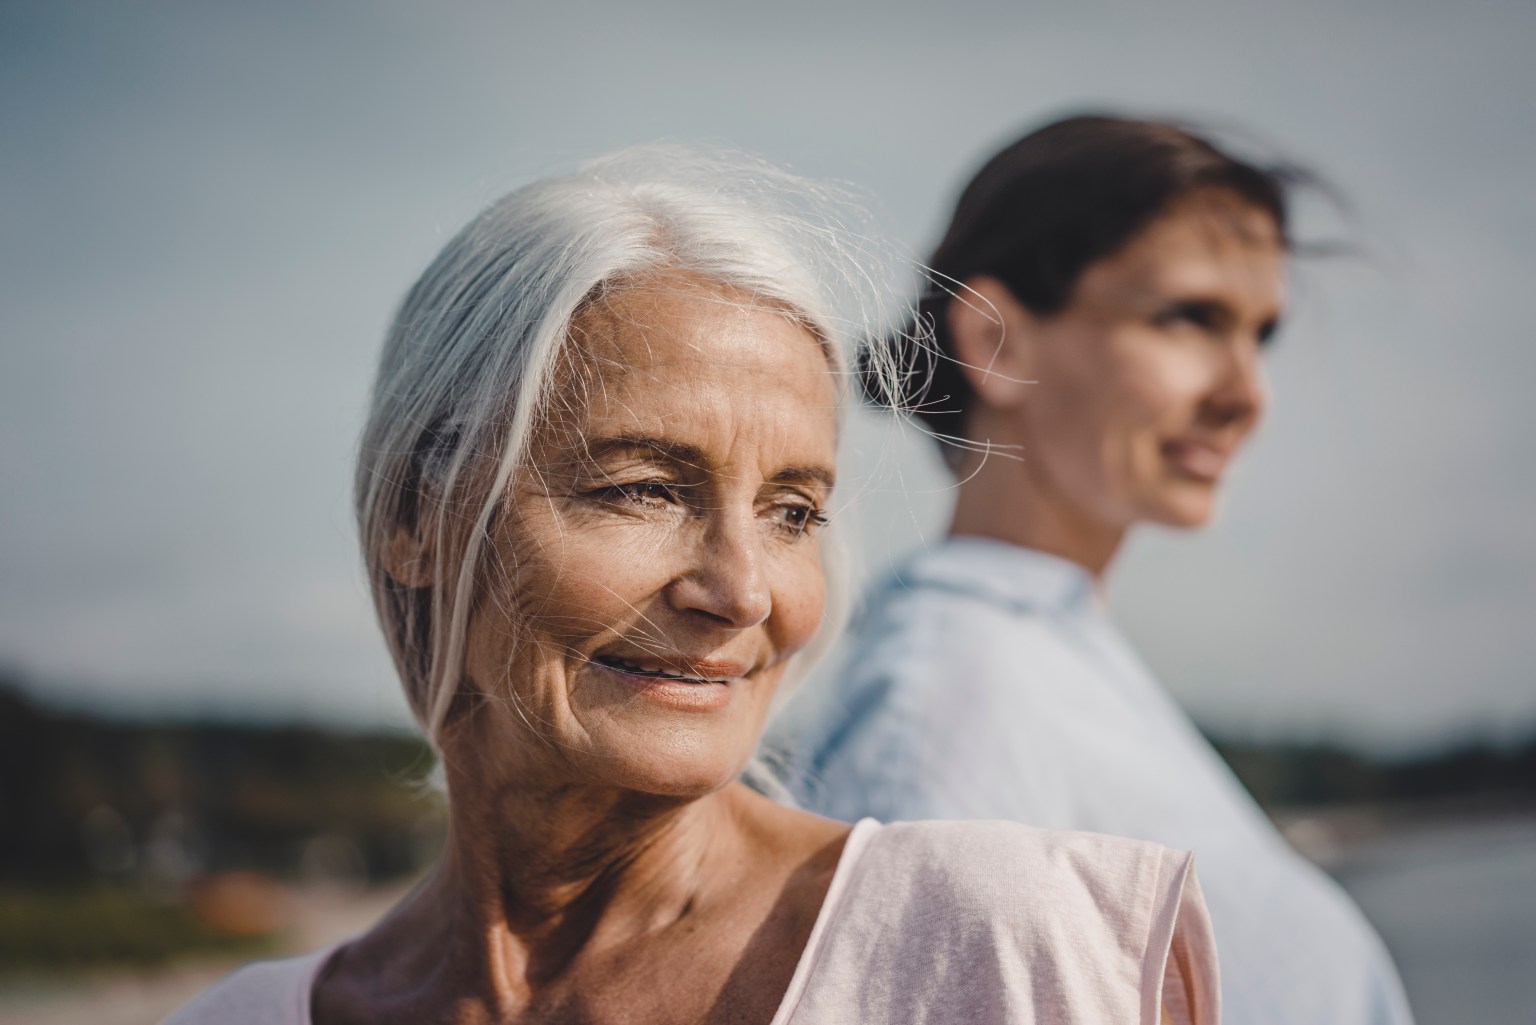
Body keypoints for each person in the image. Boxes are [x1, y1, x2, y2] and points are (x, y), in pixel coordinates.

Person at [163, 146, 1219, 1025]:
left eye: (793, 510)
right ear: (413, 517)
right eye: (641, 489)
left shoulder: (1009, 946)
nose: (743, 589)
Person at [777, 116, 1414, 1025]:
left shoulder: (1050, 657)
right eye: (1191, 317)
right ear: (995, 341)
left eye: (1259, 335)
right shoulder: (949, 702)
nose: (1246, 396)